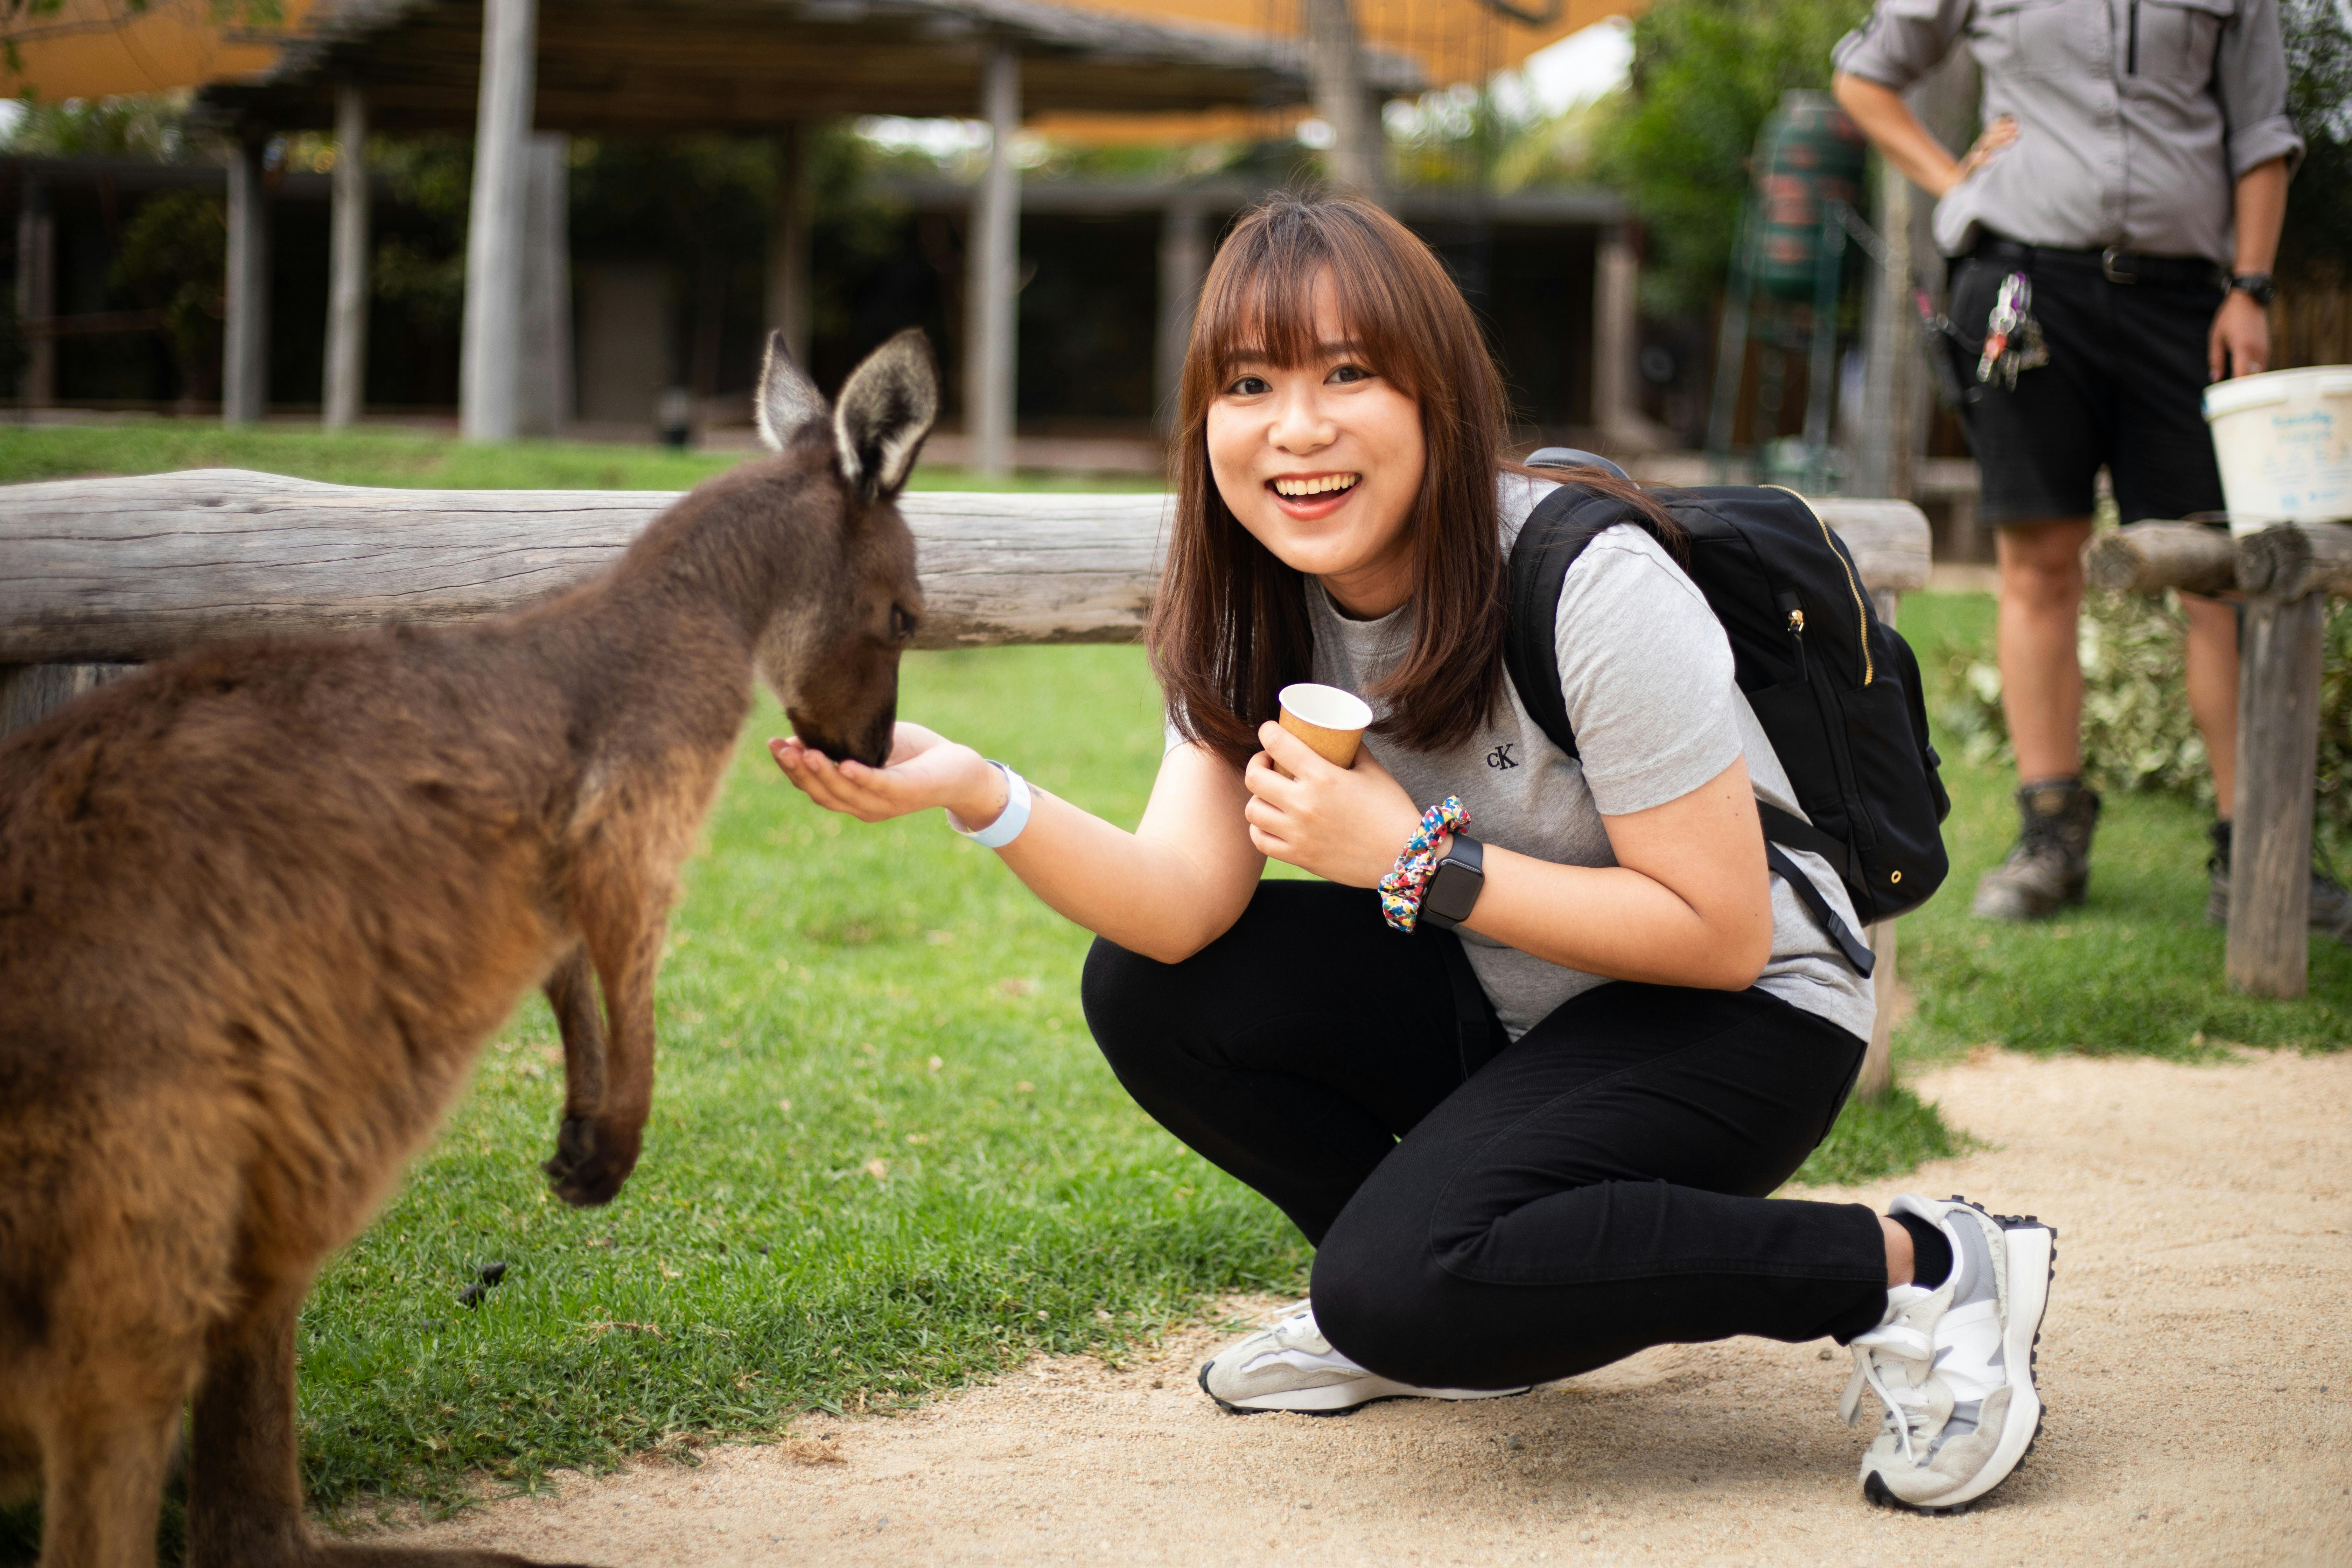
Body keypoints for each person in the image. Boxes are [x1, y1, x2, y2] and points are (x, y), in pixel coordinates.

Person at [770, 194, 2053, 1513]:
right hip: (1515, 991)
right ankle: (1451, 1322)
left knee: (1396, 1277)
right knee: (1152, 994)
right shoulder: (1247, 596)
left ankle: (1922, 1268)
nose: (1298, 429)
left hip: (1748, 1015)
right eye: (1249, 383)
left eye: (1348, 374)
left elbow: (1721, 931)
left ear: (1436, 398)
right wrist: (980, 793)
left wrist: (1416, 863)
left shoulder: (1584, 577)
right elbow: (1172, 911)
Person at [1831, 0, 2317, 925]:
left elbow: (2263, 130)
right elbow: (1864, 73)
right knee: (2039, 564)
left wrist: (2252, 287)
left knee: (2222, 572)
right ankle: (2050, 833)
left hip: (2188, 302)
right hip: (2024, 290)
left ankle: (2254, 847)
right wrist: (1953, 181)